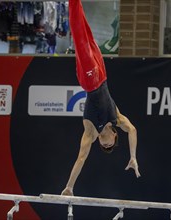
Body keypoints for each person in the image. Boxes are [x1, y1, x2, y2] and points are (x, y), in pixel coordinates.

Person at [61, 0, 141, 197]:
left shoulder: (91, 131)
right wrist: (133, 157)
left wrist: (69, 187)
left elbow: (81, 158)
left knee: (79, 35)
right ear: (114, 136)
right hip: (102, 73)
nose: (104, 143)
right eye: (109, 144)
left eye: (103, 145)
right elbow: (132, 130)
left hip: (90, 81)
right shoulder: (117, 118)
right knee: (86, 31)